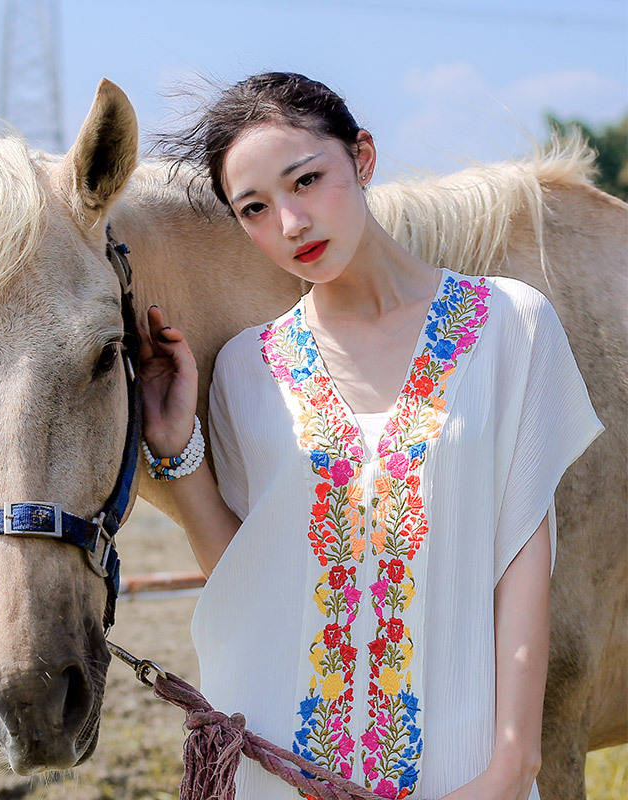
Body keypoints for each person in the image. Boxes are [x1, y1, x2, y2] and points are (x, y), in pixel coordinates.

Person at [137, 72, 603, 800]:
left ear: (363, 158)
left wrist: (513, 766)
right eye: (255, 208)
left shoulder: (511, 325)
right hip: (291, 772)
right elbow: (250, 582)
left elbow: (523, 559)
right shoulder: (249, 368)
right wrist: (177, 450)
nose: (289, 223)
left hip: (467, 772)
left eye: (307, 180)